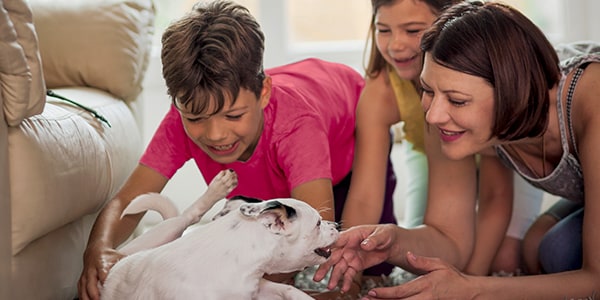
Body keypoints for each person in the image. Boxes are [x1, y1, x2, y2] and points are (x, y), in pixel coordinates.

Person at [77, 1, 396, 299]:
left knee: (352, 264)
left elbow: (301, 240)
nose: (216, 134)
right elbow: (128, 199)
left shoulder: (297, 125)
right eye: (196, 118)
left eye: (233, 116)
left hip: (349, 148)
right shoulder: (182, 119)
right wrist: (99, 247)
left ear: (263, 93)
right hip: (266, 178)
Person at [314, 1, 600, 298]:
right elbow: (451, 239)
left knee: (557, 254)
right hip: (581, 190)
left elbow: (596, 280)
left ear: (511, 91)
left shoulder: (591, 99)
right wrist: (393, 241)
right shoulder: (466, 121)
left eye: (458, 101)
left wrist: (471, 289)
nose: (432, 116)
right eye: (427, 90)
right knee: (540, 247)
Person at [347, 0, 542, 277]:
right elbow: (366, 197)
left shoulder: (489, 86)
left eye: (412, 30)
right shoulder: (388, 94)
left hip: (503, 155)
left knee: (503, 261)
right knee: (421, 261)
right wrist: (349, 260)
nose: (395, 46)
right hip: (437, 155)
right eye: (383, 30)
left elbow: (495, 195)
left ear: (449, 26)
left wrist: (470, 282)